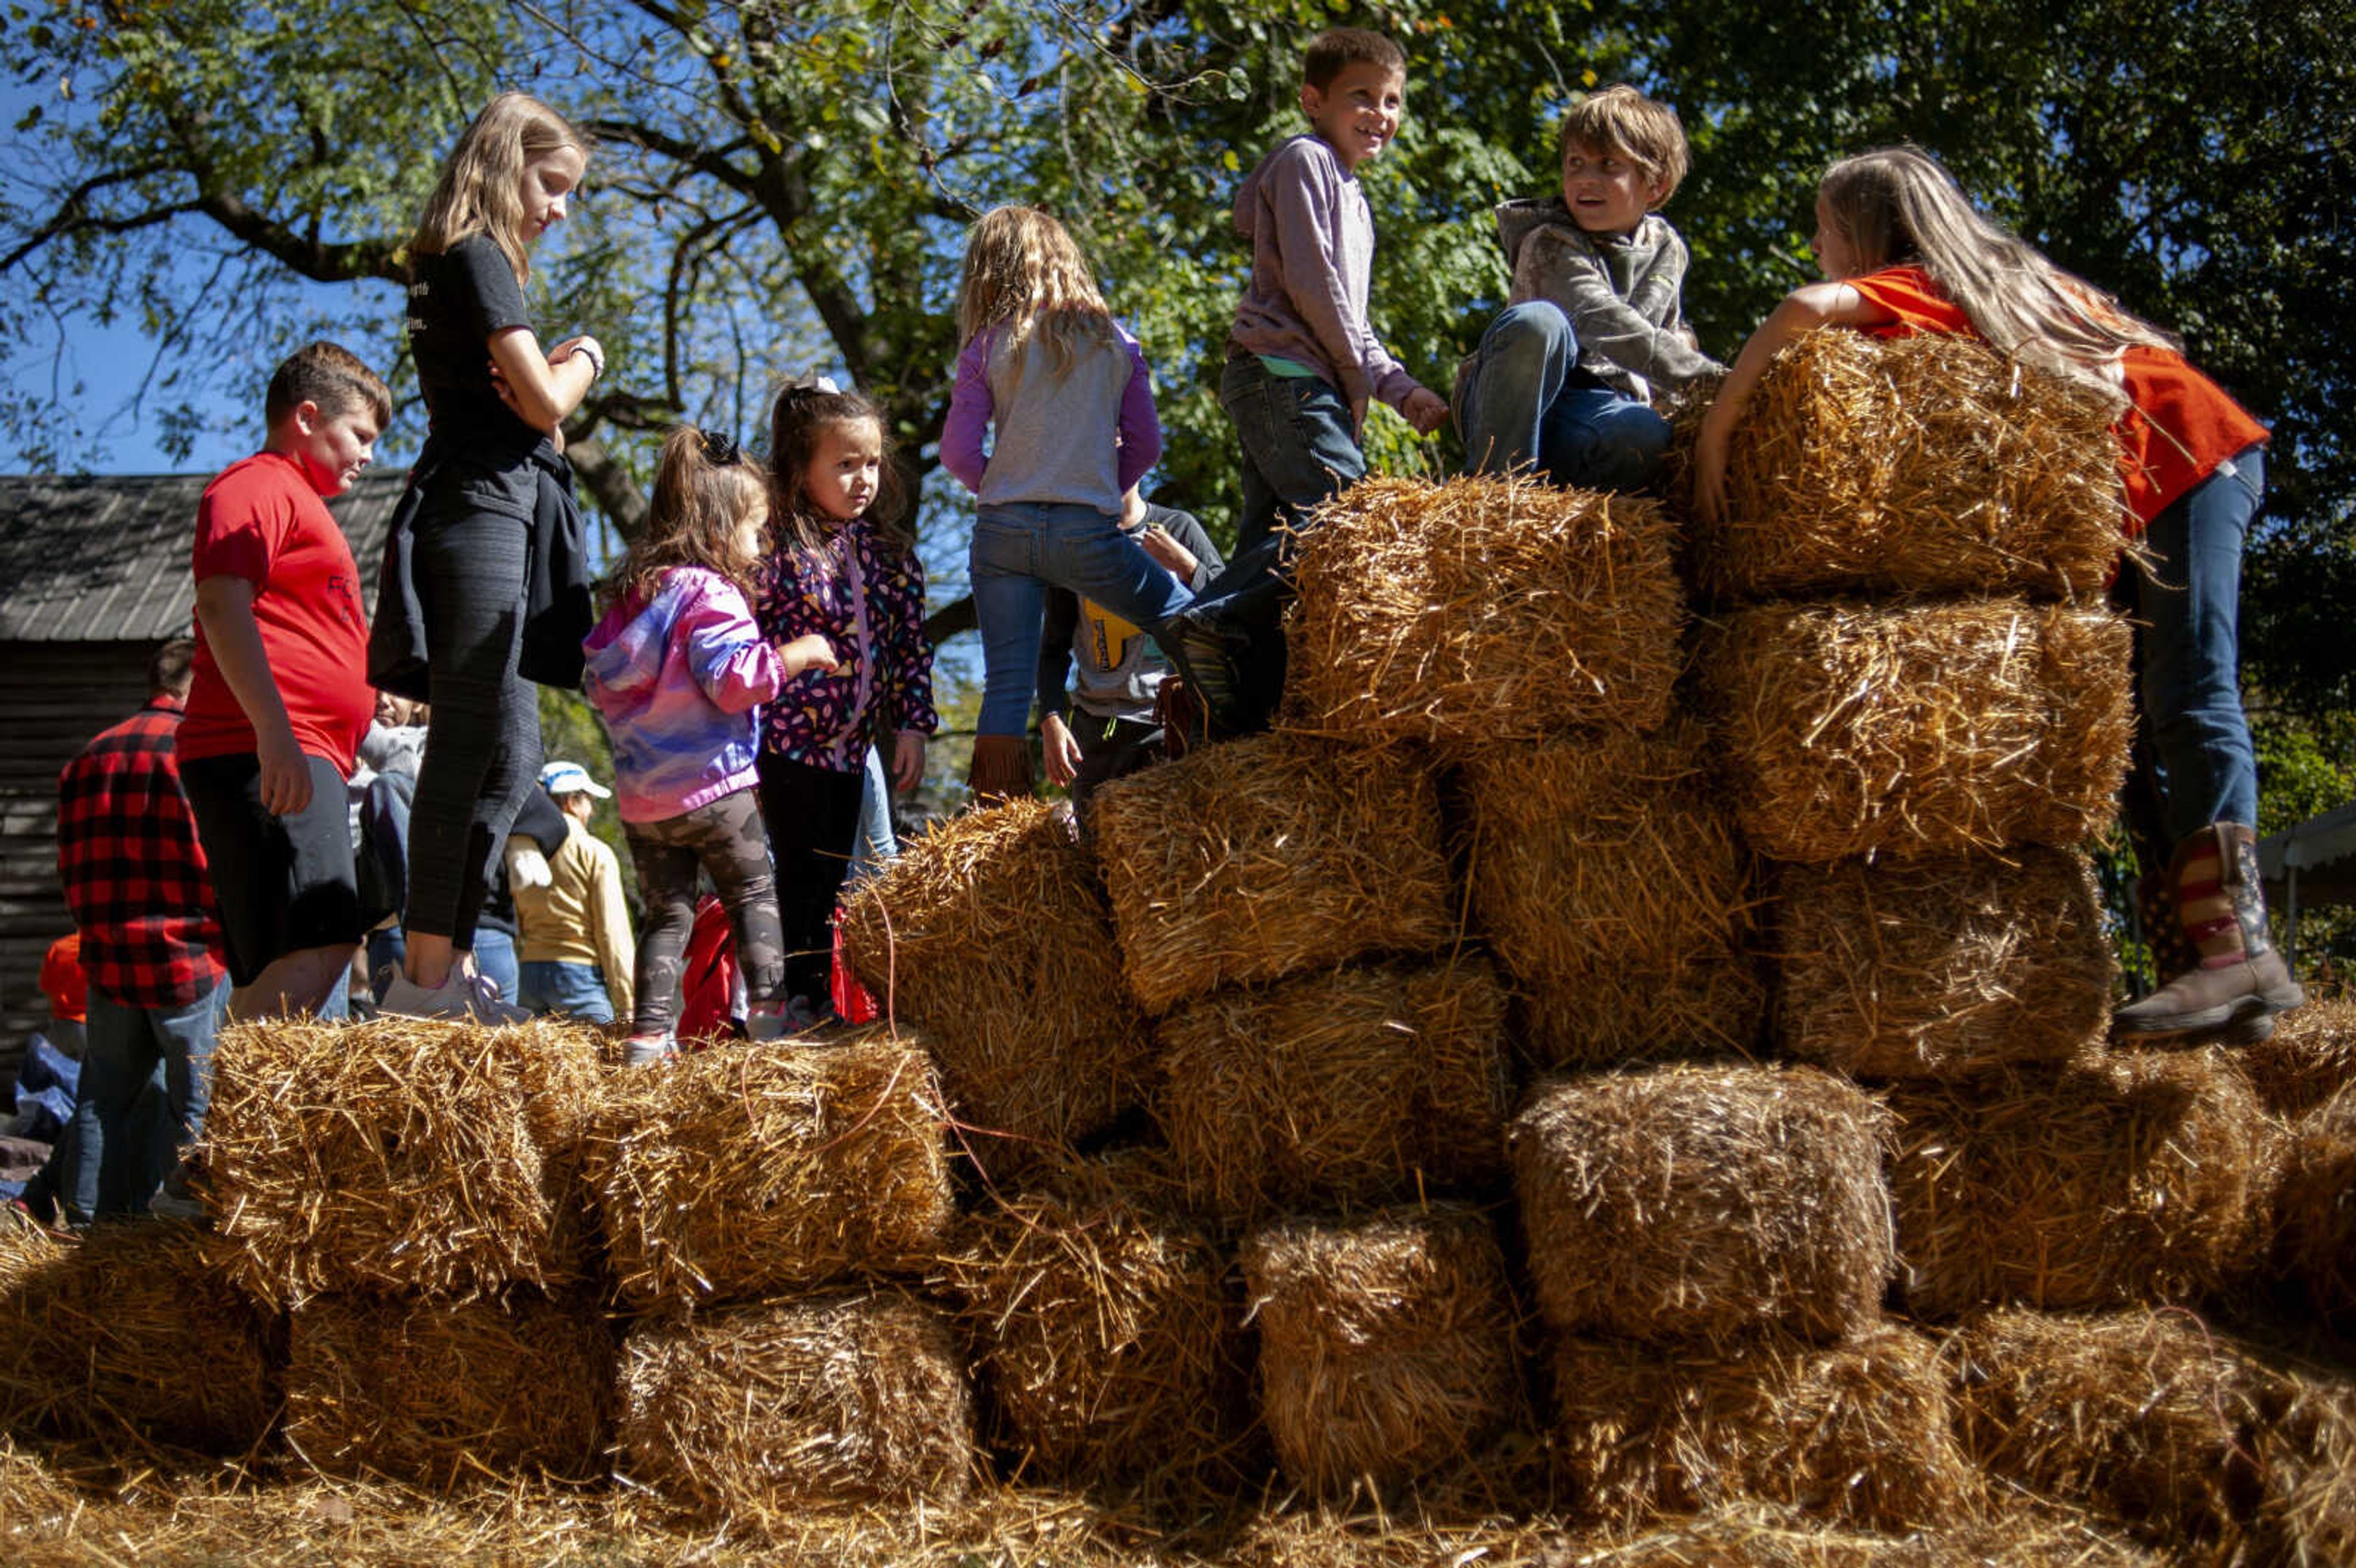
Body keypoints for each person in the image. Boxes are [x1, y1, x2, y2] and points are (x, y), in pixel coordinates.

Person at [1692, 145, 2301, 1045]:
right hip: (2160, 484)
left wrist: (1713, 442)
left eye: (1823, 230)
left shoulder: (1929, 281)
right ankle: (2206, 972)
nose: (1818, 250)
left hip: (2188, 456)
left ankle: (2237, 953)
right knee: (2135, 730)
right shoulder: (1989, 283)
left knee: (2191, 695)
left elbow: (1803, 310)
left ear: (1864, 229)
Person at [373, 92, 601, 1023]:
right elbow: (546, 402)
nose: (559, 210)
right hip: (477, 511)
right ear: (507, 162)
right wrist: (586, 354)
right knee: (471, 741)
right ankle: (422, 982)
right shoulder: (472, 255)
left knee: (511, 754)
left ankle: (447, 967)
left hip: (493, 510)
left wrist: (539, 381)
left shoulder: (463, 264)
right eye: (553, 186)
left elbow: (520, 395)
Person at [1168, 26, 1449, 737]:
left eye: (1392, 101)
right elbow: (1313, 284)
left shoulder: (1356, 200)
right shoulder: (1305, 161)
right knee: (1344, 514)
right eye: (1362, 96)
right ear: (1314, 100)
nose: (1380, 113)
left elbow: (1352, 318)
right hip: (1284, 374)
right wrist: (1357, 379)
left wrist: (1397, 387)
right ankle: (1210, 618)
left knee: (1278, 537)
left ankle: (1247, 701)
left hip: (1304, 378)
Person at [583, 426, 837, 1063]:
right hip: (718, 788)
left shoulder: (630, 598)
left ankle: (646, 1039)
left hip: (647, 801)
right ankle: (774, 1021)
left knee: (666, 916)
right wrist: (800, 653)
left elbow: (601, 682)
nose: (760, 547)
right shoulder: (710, 592)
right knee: (753, 896)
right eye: (756, 531)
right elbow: (733, 683)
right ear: (719, 529)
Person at [939, 206, 1186, 800]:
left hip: (1002, 532)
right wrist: (1097, 487)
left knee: (1006, 684)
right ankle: (1214, 725)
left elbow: (956, 452)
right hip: (1087, 527)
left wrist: (1001, 487)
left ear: (989, 273)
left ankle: (993, 814)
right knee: (1187, 619)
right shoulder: (1116, 344)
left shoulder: (988, 345)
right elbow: (1147, 444)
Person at [180, 343, 387, 1023]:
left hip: (292, 748)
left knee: (289, 953)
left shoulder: (299, 499)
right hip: (264, 747)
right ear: (305, 416)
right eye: (358, 434)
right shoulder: (257, 484)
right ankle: (240, 1113)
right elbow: (219, 602)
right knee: (321, 936)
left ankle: (239, 1118)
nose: (367, 455)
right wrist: (275, 735)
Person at [753, 379, 937, 1027]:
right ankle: (781, 1000)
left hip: (851, 750)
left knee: (833, 879)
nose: (865, 479)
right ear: (802, 471)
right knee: (793, 874)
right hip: (784, 744)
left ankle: (816, 996)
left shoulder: (890, 555)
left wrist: (913, 726)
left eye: (874, 463)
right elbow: (744, 636)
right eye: (846, 464)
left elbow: (912, 646)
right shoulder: (775, 546)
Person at [1458, 84, 1722, 490]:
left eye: (1607, 165)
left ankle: (1574, 513)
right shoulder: (1549, 241)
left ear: (1655, 184)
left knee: (1643, 435)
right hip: (1513, 403)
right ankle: (1497, 496)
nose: (1586, 179)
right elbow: (1605, 320)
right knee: (1539, 323)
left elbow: (1667, 336)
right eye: (1575, 163)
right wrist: (1722, 385)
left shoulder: (1667, 247)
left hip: (1592, 411)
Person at [53, 637, 231, 1220]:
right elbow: (215, 862)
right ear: (193, 685)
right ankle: (190, 1234)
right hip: (189, 958)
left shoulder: (88, 757)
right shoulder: (195, 752)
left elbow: (70, 865)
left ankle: (82, 1232)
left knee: (100, 1102)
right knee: (198, 1107)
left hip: (110, 958)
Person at [1036, 485, 1222, 824]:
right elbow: (1052, 648)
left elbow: (1229, 610)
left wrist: (1189, 567)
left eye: (1121, 440)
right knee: (1099, 863)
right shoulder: (1074, 545)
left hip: (1168, 726)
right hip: (1094, 736)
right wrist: (1050, 717)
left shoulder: (1179, 527)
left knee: (1165, 856)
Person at [511, 762, 634, 1026]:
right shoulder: (595, 852)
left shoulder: (520, 849)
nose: (591, 809)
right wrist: (629, 1003)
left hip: (528, 972)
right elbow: (613, 933)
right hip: (578, 976)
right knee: (603, 1057)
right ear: (571, 802)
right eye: (588, 800)